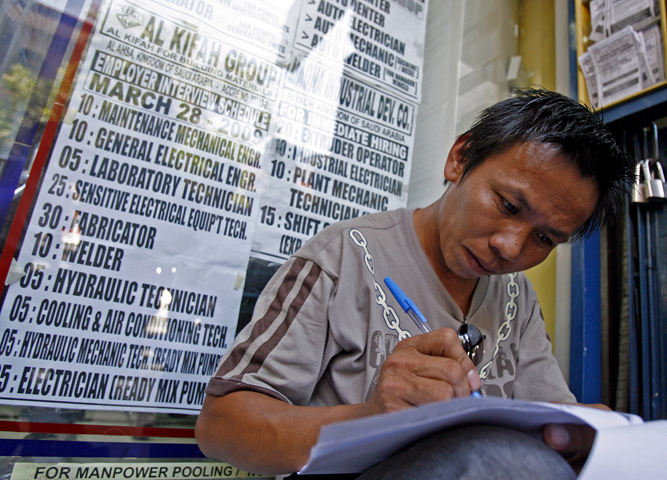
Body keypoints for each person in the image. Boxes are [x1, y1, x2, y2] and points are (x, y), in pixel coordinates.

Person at [195, 89, 635, 478]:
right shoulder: (343, 256)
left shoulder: (516, 299)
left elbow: (551, 419)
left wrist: (583, 436)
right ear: (459, 159)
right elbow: (220, 427)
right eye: (507, 205)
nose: (509, 246)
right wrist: (368, 417)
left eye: (544, 238)